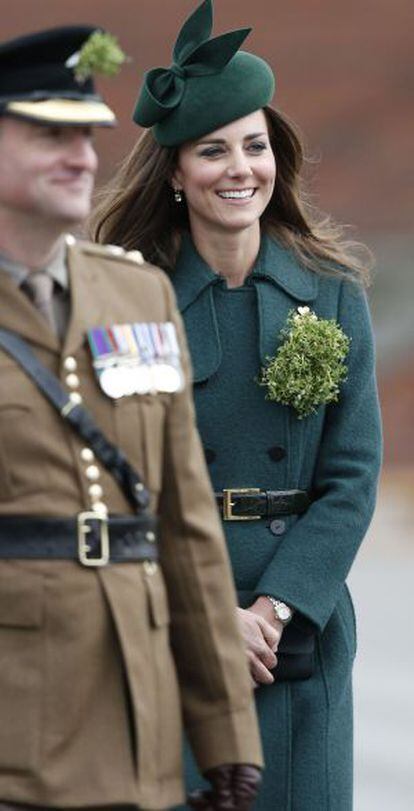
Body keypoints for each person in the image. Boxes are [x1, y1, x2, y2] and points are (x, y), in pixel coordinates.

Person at [93, 1, 383, 809]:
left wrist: (276, 607)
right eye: (212, 150)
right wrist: (212, 611)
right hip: (176, 625)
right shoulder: (127, 298)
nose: (238, 168)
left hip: (300, 629)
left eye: (253, 146)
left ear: (276, 159)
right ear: (177, 173)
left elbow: (353, 474)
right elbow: (119, 476)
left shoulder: (330, 291)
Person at [0, 23, 264, 811]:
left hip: (138, 731)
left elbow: (185, 524)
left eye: (87, 134)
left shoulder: (136, 293)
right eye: (51, 134)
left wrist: (225, 733)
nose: (82, 155)